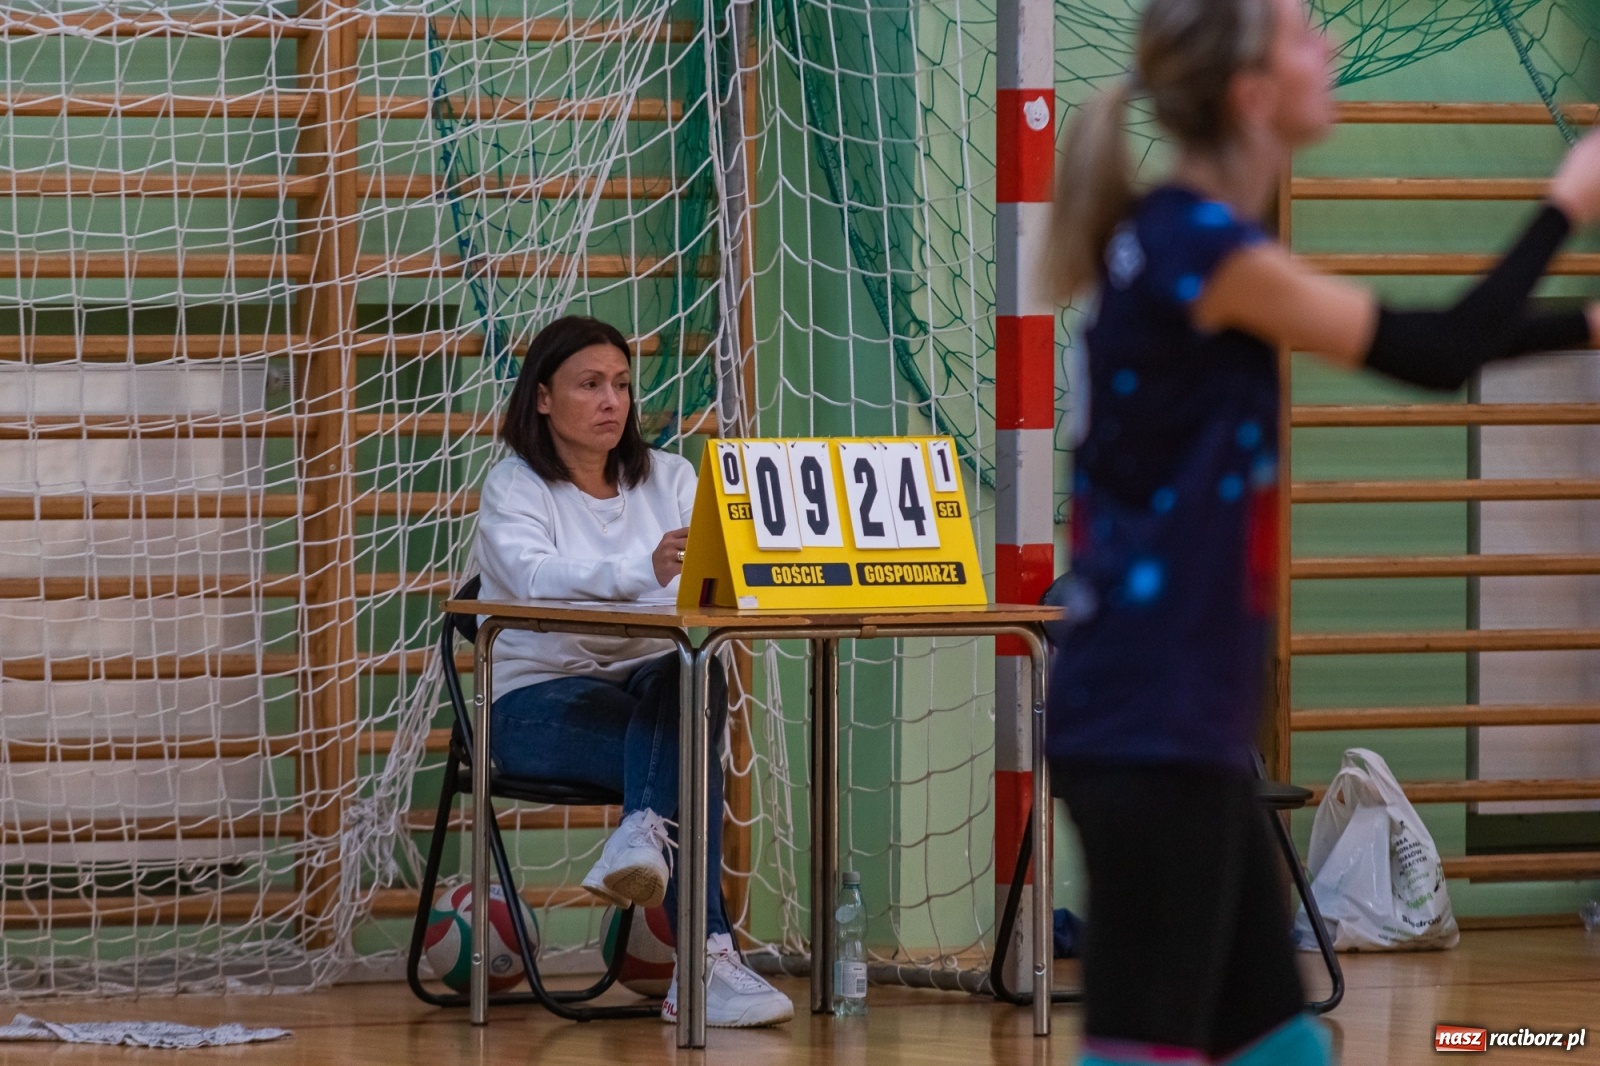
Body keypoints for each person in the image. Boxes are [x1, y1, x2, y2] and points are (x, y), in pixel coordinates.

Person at [1044, 0, 1600, 1062]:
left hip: (1177, 712)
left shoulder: (1195, 245)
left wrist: (1581, 324)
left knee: (1279, 1044)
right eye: (1304, 34)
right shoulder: (1199, 251)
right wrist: (1565, 201)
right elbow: (1434, 354)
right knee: (1144, 1044)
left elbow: (1417, 338)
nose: (1331, 46)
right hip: (1145, 714)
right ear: (1252, 95)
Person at [472, 315, 793, 1029]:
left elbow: (710, 588)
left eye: (620, 384)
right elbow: (533, 582)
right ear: (544, 398)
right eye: (590, 385)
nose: (612, 400)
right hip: (534, 704)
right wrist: (640, 572)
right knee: (686, 743)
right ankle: (707, 960)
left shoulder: (673, 478)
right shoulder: (513, 489)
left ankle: (644, 831)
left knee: (693, 679)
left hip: (654, 687)